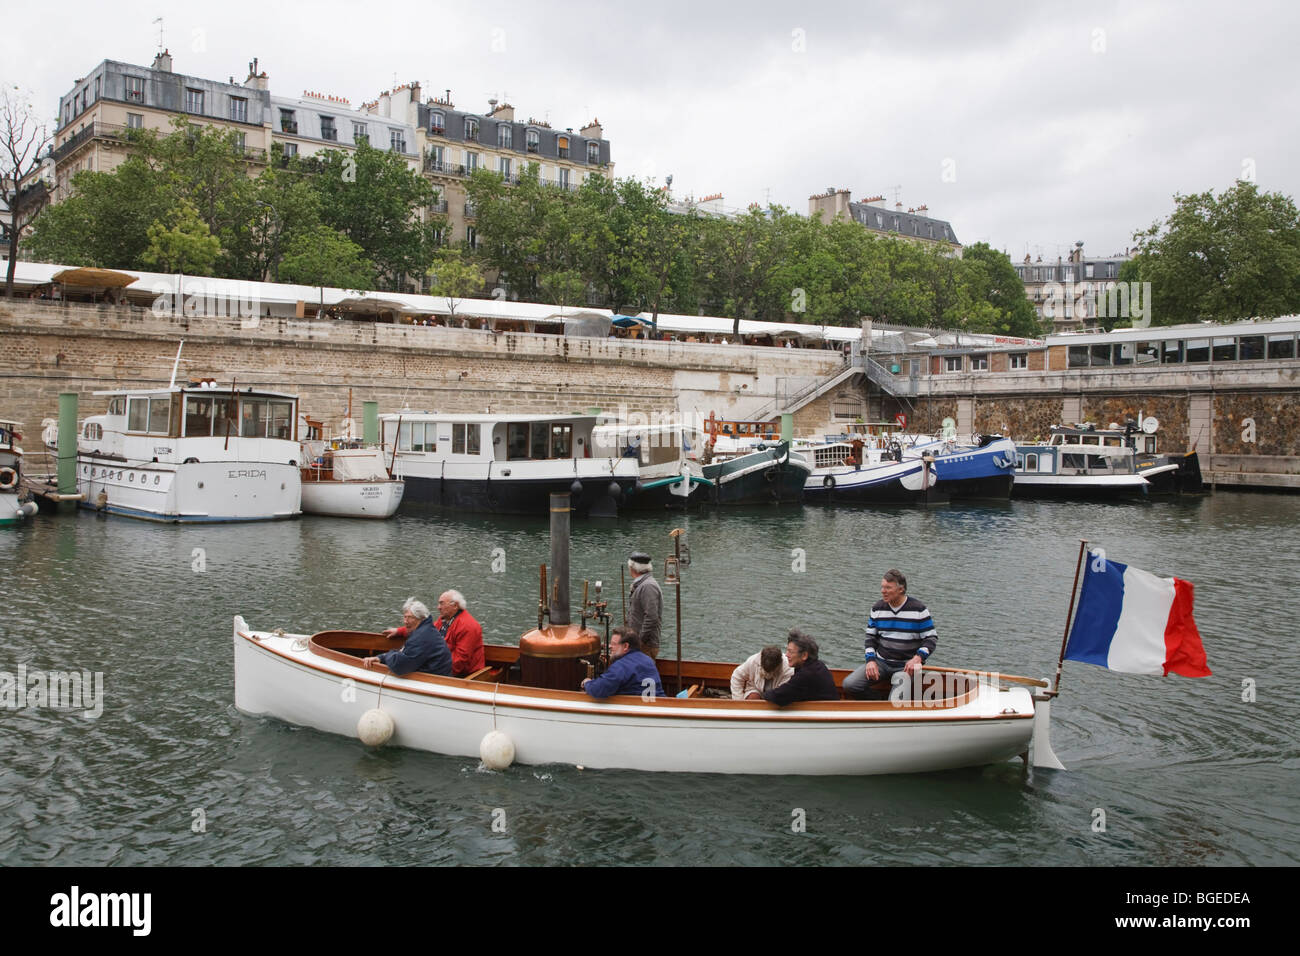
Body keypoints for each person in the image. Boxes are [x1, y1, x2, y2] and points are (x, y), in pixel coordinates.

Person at [841, 569, 937, 700]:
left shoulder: (919, 609)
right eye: (882, 587)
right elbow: (870, 638)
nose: (883, 591)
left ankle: (890, 705)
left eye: (888, 588)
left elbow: (931, 638)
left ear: (901, 589)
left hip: (906, 666)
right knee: (849, 685)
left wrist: (917, 658)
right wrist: (870, 661)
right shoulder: (877, 608)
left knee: (895, 701)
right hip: (881, 663)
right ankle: (878, 702)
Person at [364, 597, 452, 676]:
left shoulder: (421, 637)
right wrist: (380, 658)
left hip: (434, 683)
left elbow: (399, 666)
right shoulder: (427, 630)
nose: (405, 621)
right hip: (437, 677)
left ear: (420, 618)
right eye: (404, 617)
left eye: (409, 617)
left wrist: (387, 656)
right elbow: (405, 654)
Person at [581, 627, 664, 699]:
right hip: (659, 705)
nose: (610, 646)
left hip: (638, 710)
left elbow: (599, 689)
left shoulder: (621, 666)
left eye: (614, 644)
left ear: (625, 646)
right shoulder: (648, 660)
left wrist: (587, 683)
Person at [764, 629, 839, 705]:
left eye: (790, 651)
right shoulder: (817, 665)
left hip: (825, 712)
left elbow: (778, 697)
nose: (786, 655)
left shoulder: (807, 674)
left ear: (804, 655)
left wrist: (764, 695)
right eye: (787, 651)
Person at [435, 589, 485, 677]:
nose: (438, 607)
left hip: (465, 675)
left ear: (455, 606)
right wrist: (404, 631)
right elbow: (426, 631)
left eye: (442, 603)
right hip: (443, 665)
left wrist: (434, 669)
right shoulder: (444, 620)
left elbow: (459, 662)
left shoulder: (467, 626)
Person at [626, 551, 662, 659]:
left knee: (643, 674)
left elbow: (651, 617)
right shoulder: (642, 584)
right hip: (639, 644)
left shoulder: (648, 586)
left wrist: (640, 640)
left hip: (645, 645)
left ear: (632, 568)